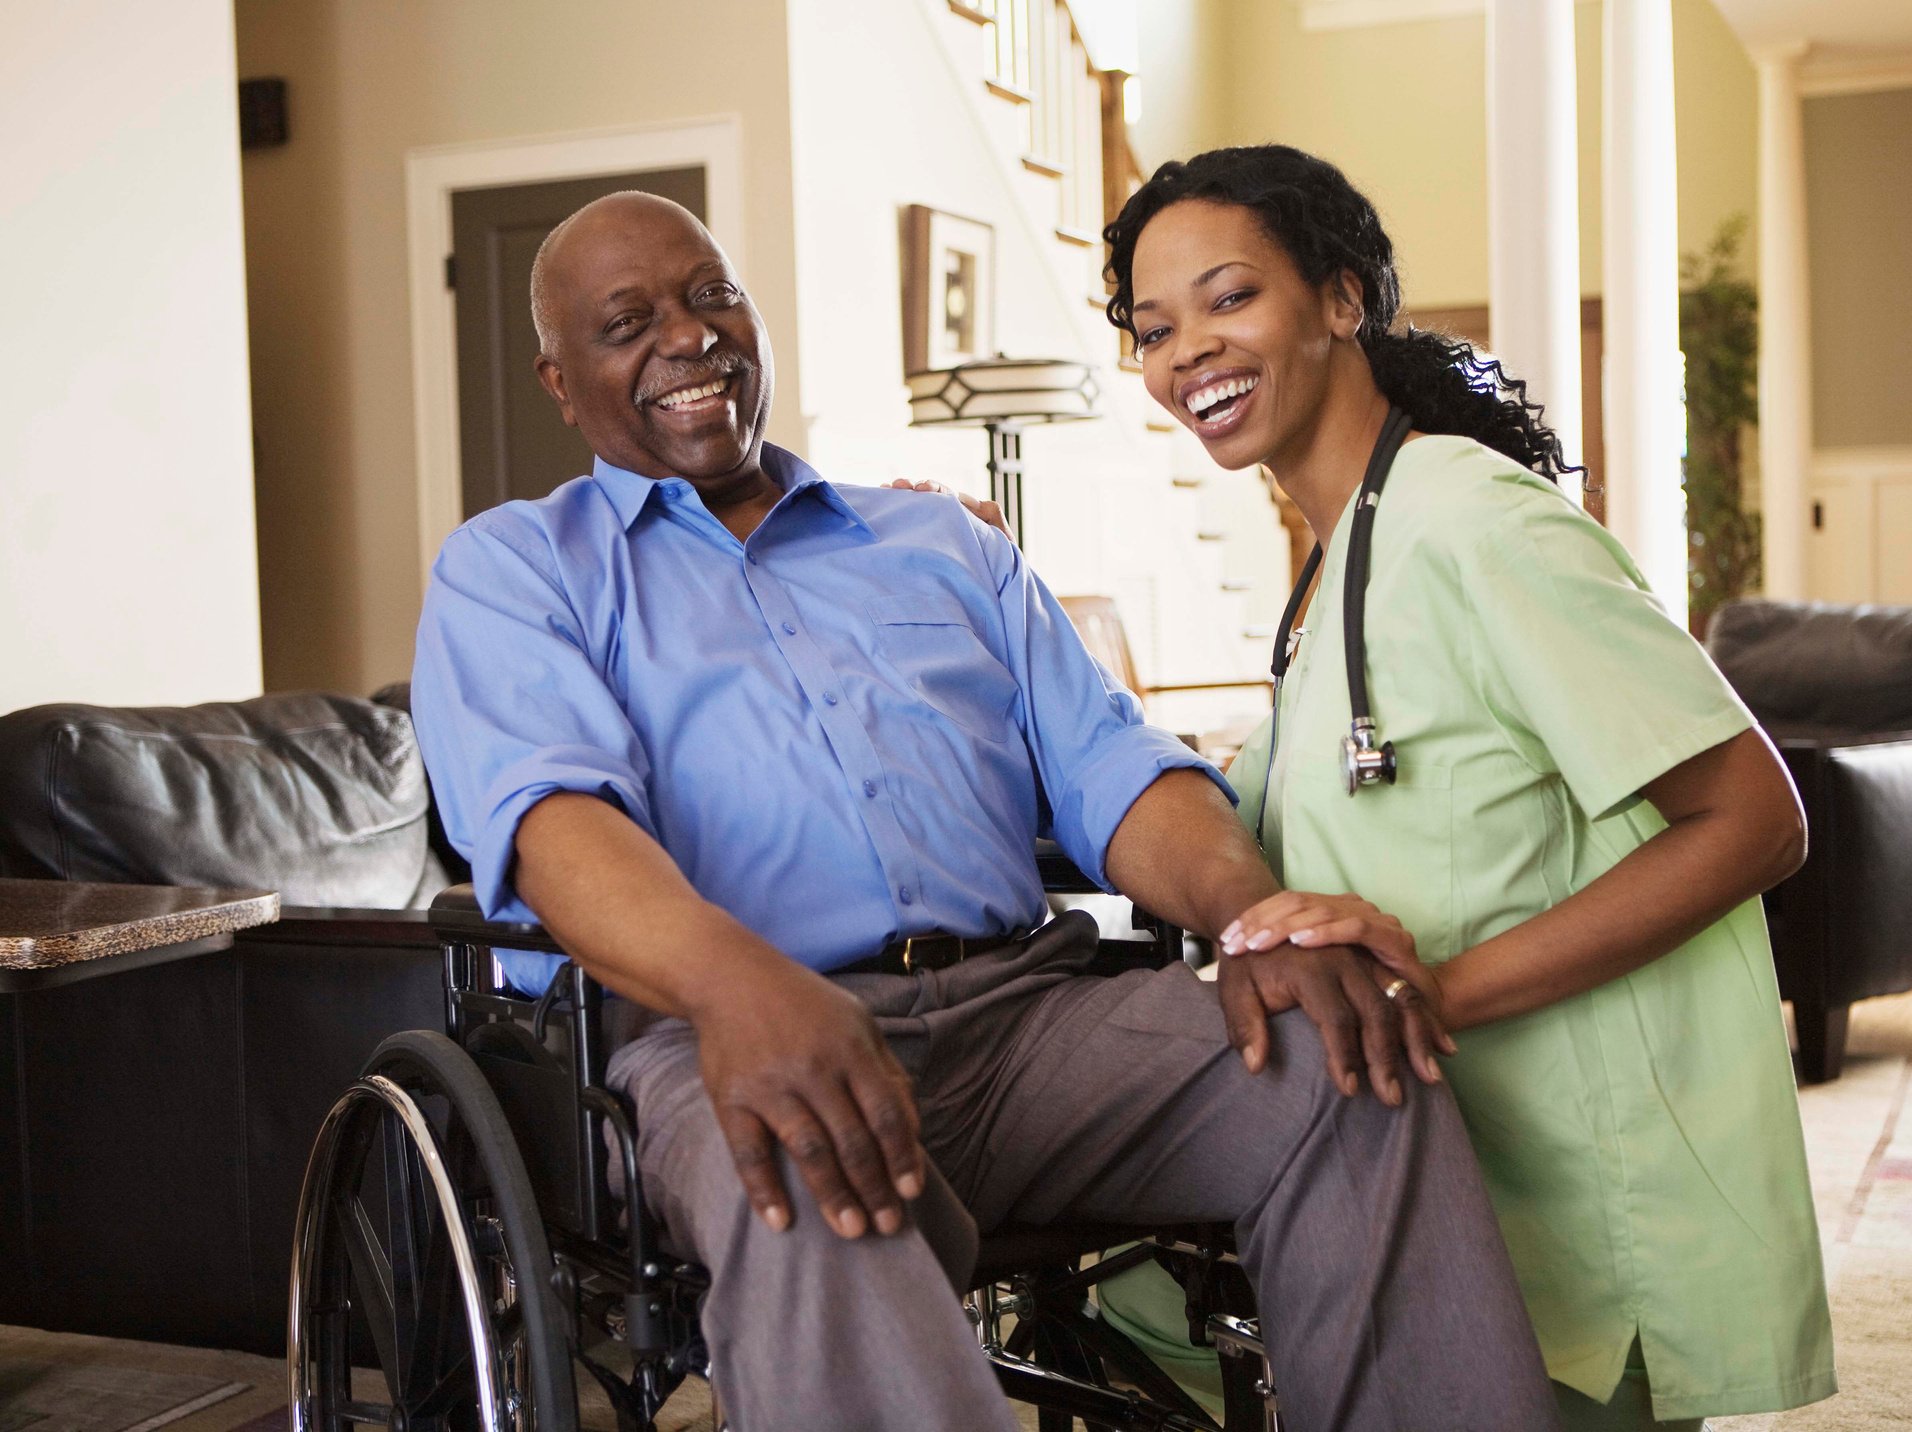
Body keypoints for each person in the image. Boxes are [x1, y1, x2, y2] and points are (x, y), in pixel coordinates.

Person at [411, 189, 1561, 1431]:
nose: (686, 337)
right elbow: (553, 823)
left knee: (1348, 1051)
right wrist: (739, 989)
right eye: (626, 322)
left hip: (1027, 1021)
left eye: (709, 296)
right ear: (560, 381)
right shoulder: (517, 568)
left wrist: (1257, 917)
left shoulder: (940, 544)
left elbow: (1115, 769)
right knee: (803, 1168)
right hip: (731, 1028)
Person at [1084, 146, 1836, 1431]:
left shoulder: (1477, 523)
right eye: (1155, 329)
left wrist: (1435, 992)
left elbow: (1757, 818)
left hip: (1582, 1207)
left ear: (1341, 299)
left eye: (1227, 299)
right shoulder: (1339, 565)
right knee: (1128, 1299)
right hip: (1444, 1170)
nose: (1187, 352)